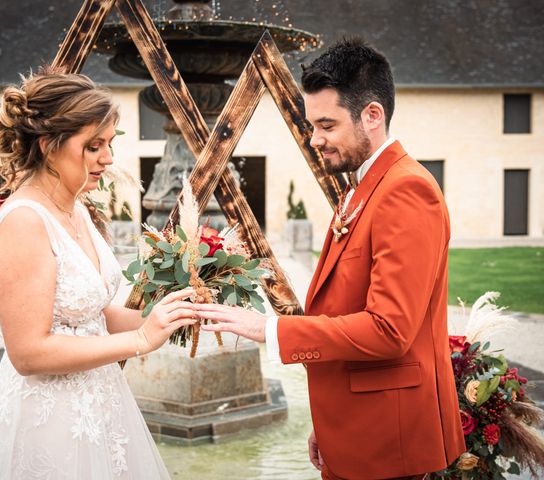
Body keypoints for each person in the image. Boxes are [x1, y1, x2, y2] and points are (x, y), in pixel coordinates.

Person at [196, 37, 466, 479]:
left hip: (387, 442)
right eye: (311, 125)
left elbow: (389, 330)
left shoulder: (406, 190)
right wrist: (331, 421)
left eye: (326, 125)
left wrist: (269, 329)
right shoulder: (364, 184)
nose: (315, 139)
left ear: (372, 116)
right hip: (357, 423)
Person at [0, 68, 196, 479]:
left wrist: (165, 318)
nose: (109, 158)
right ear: (49, 146)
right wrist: (139, 340)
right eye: (93, 146)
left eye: (109, 144)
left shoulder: (76, 208)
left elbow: (92, 316)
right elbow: (28, 353)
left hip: (100, 404)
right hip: (48, 421)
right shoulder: (24, 222)